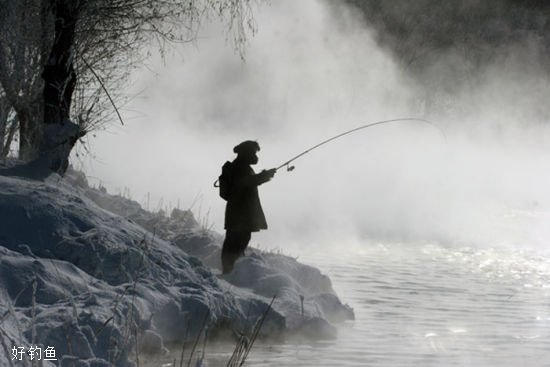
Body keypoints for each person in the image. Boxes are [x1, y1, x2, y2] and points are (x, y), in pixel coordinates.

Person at [221, 140, 276, 274]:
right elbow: (246, 183)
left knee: (236, 241)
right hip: (240, 214)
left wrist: (263, 175)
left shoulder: (240, 166)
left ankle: (231, 270)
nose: (256, 156)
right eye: (254, 152)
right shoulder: (241, 167)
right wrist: (264, 176)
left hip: (239, 213)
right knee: (237, 242)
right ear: (247, 153)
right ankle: (230, 272)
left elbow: (248, 181)